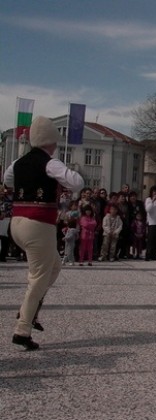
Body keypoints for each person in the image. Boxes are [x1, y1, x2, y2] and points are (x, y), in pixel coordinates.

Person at [3, 116, 84, 350]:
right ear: (52, 141)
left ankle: (31, 307)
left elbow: (7, 179)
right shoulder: (50, 162)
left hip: (16, 223)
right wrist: (58, 172)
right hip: (38, 225)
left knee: (55, 266)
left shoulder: (18, 162)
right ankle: (23, 327)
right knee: (38, 277)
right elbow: (77, 182)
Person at [144, 187, 156, 261]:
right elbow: (148, 209)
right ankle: (148, 254)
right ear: (151, 192)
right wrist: (153, 201)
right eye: (154, 192)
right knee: (150, 240)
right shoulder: (148, 200)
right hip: (152, 222)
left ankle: (154, 254)